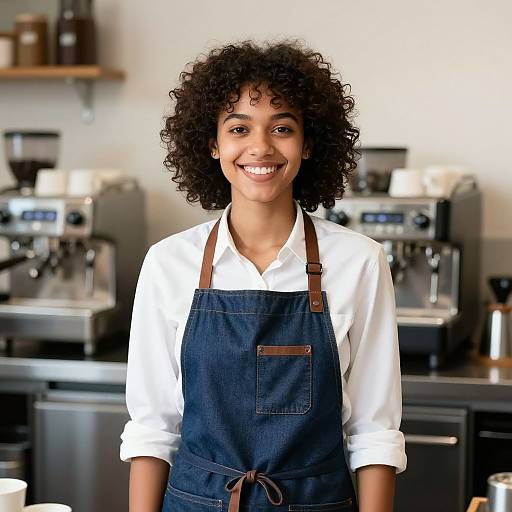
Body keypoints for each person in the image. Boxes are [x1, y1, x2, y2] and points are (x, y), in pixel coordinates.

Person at [120, 39, 407, 512]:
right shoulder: (169, 263)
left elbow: (374, 432)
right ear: (213, 144)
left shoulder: (359, 261)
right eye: (239, 128)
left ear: (308, 142)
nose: (260, 147)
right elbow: (154, 430)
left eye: (282, 127)